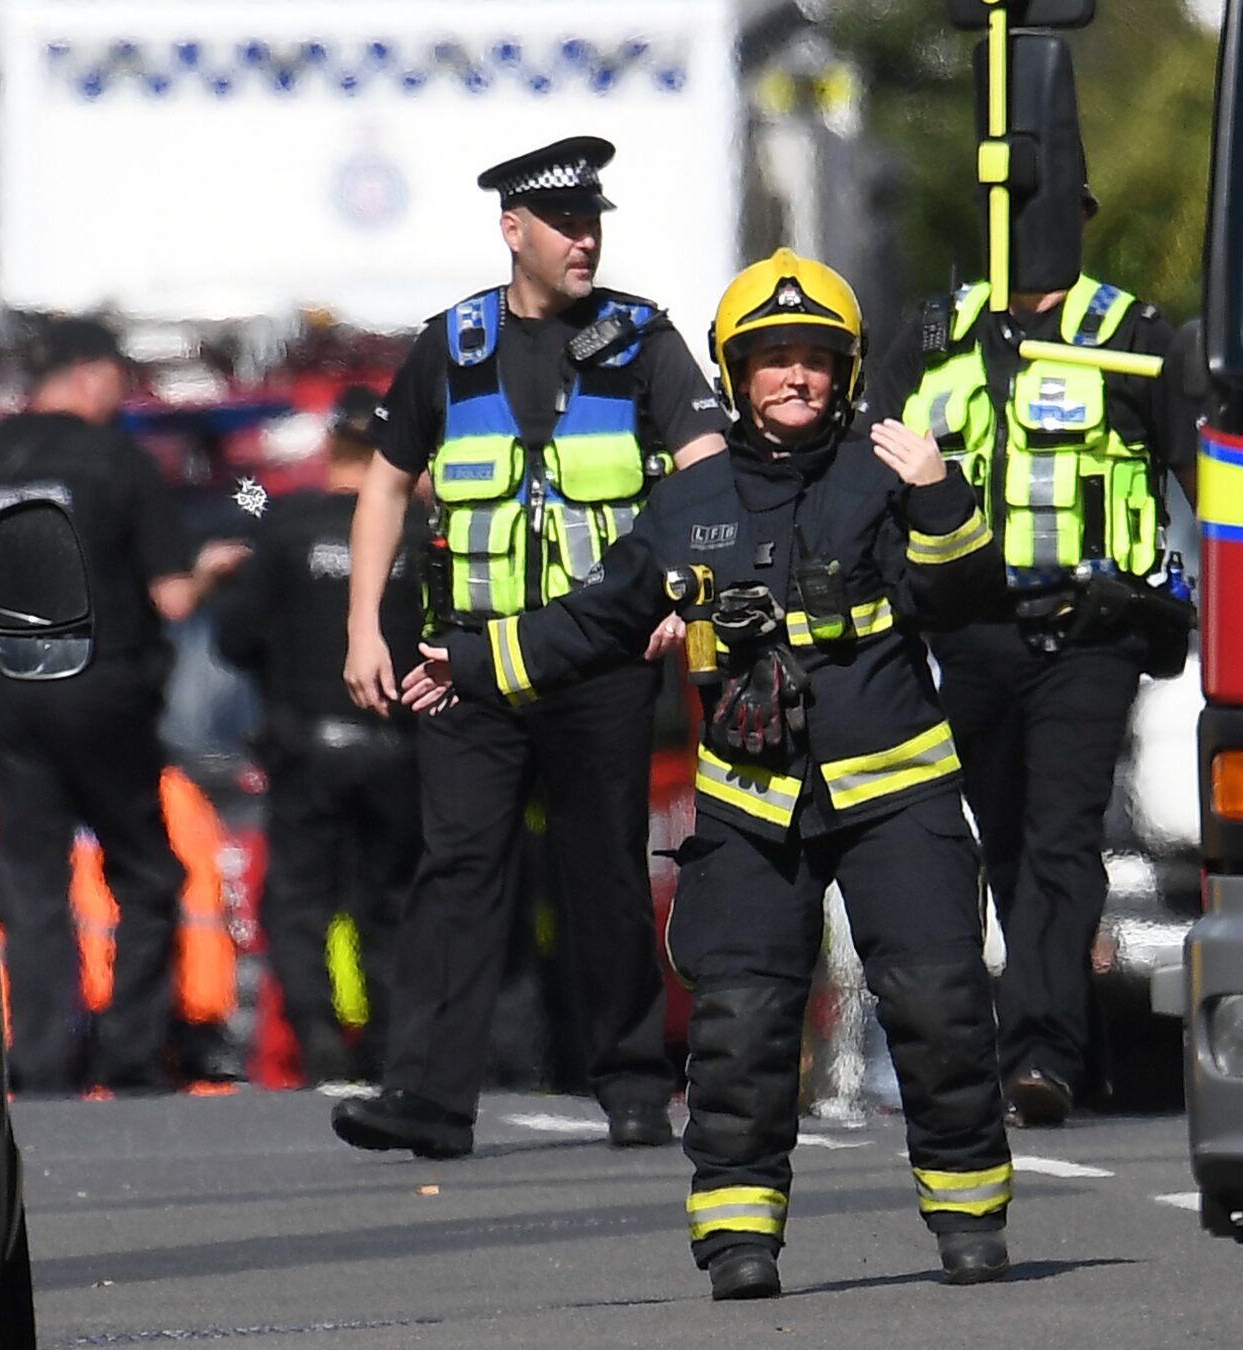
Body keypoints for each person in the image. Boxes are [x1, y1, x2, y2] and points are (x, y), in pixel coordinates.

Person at [401, 249, 1015, 1298]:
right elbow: (596, 620)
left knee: (938, 1003)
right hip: (749, 802)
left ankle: (968, 1218)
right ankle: (738, 1240)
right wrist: (472, 661)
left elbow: (967, 601)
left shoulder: (889, 465)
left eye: (814, 361)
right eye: (770, 360)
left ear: (845, 371)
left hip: (895, 789)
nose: (793, 378)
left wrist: (939, 490)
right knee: (737, 1026)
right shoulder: (689, 503)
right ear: (734, 376)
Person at [331, 135, 727, 1158]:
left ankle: (634, 1083)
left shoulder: (641, 339)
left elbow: (704, 466)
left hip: (592, 662)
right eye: (564, 225)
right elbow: (384, 482)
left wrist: (689, 585)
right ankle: (427, 1093)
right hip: (461, 663)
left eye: (593, 222)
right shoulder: (450, 345)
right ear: (514, 231)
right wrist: (361, 625)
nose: (584, 240)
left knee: (601, 872)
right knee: (458, 870)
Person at [865, 194, 1199, 1129]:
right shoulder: (932, 334)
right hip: (968, 636)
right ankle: (1066, 1036)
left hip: (1091, 632)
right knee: (1005, 843)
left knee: (1061, 837)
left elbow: (1209, 472)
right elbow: (869, 471)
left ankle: (1041, 1054)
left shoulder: (1133, 336)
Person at [0, 316, 246, 1093]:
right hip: (104, 687)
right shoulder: (118, 460)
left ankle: (42, 1061)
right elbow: (174, 599)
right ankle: (134, 1053)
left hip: (9, 694)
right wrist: (213, 569)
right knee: (146, 872)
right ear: (88, 374)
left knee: (31, 880)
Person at [213, 387, 425, 1084]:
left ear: (332, 448)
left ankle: (317, 1036)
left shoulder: (284, 527)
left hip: (307, 745)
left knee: (300, 902)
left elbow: (234, 637)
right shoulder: (419, 531)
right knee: (390, 902)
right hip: (400, 747)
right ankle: (390, 1044)